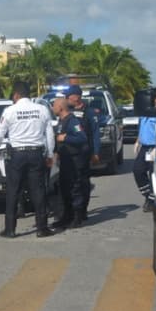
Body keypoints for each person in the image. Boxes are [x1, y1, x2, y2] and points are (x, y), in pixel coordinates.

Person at [0, 81, 56, 238]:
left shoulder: (9, 111)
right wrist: (50, 155)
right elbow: (50, 135)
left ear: (16, 95)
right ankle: (42, 228)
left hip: (17, 156)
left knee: (13, 191)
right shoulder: (42, 110)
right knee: (38, 191)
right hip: (36, 154)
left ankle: (10, 229)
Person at [51, 96, 89, 228]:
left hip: (74, 160)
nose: (52, 108)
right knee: (64, 189)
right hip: (64, 160)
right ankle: (66, 216)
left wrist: (66, 137)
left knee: (75, 188)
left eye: (54, 105)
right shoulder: (61, 121)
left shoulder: (73, 121)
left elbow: (81, 138)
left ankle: (77, 217)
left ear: (60, 107)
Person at [65, 85, 101, 215]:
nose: (66, 99)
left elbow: (96, 134)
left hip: (84, 152)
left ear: (76, 97)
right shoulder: (67, 111)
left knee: (83, 182)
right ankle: (72, 209)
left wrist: (96, 152)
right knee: (71, 182)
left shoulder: (90, 112)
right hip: (69, 153)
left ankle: (82, 210)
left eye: (68, 96)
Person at [134, 88, 156, 212]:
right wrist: (137, 141)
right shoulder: (144, 112)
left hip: (155, 147)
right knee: (137, 170)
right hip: (144, 147)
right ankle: (148, 195)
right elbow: (141, 128)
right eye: (155, 97)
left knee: (153, 174)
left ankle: (151, 200)